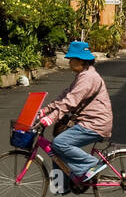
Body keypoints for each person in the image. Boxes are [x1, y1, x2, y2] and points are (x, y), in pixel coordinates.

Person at [38, 41, 113, 184]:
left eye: (71, 59)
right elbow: (64, 97)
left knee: (59, 143)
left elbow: (70, 102)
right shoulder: (82, 75)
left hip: (95, 124)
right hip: (88, 121)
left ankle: (91, 164)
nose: (69, 62)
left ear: (80, 60)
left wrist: (51, 118)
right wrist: (45, 111)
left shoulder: (87, 78)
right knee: (56, 147)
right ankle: (63, 185)